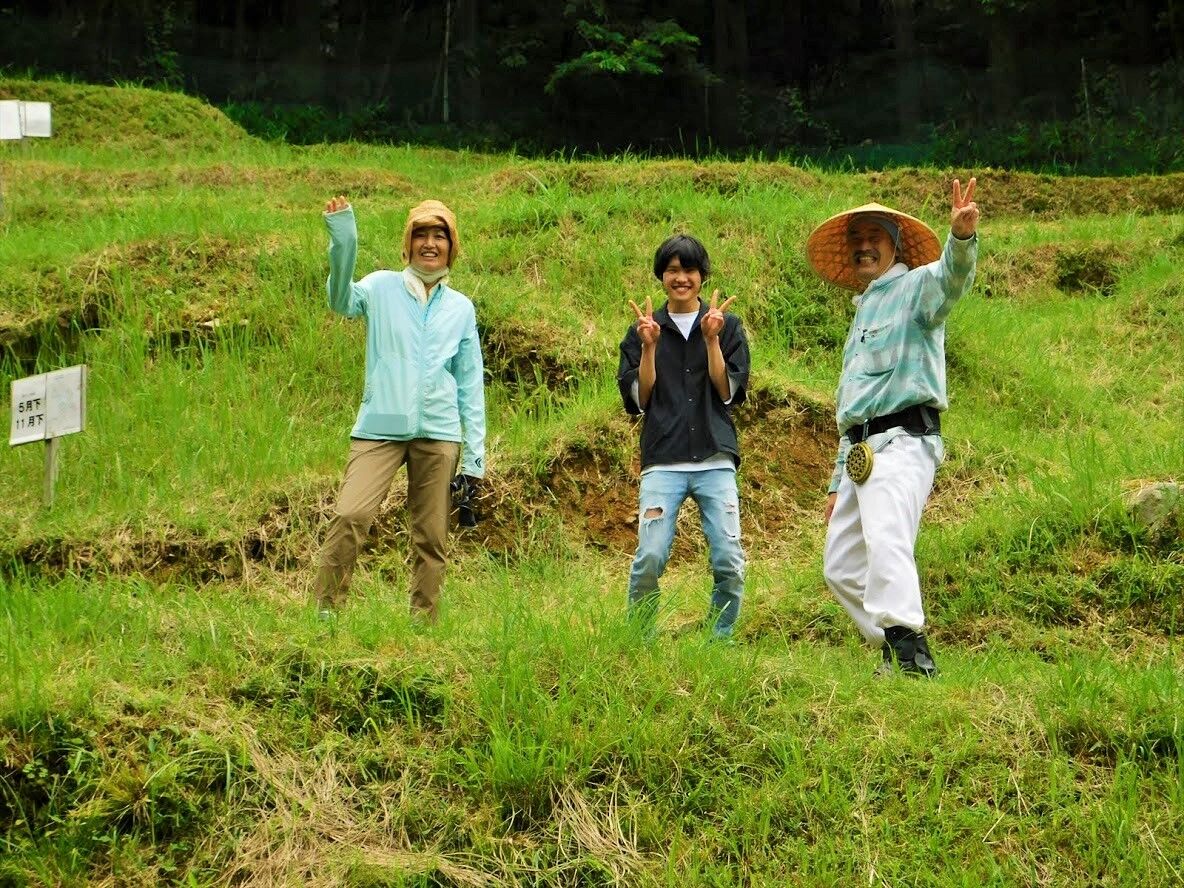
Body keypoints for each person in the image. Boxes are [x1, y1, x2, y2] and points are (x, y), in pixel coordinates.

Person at [808, 178, 980, 676]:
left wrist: (961, 238)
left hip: (904, 440)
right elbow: (852, 407)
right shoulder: (862, 312)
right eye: (857, 238)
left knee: (886, 539)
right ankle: (894, 644)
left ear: (895, 246)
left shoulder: (915, 288)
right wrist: (837, 481)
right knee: (840, 565)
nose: (864, 245)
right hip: (860, 453)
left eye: (874, 236)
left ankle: (912, 657)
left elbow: (951, 280)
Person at [312, 195, 486, 623]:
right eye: (420, 234)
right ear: (407, 244)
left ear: (452, 247)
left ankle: (423, 623)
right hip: (381, 425)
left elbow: (469, 385)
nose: (430, 243)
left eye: (439, 235)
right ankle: (325, 614)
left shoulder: (461, 308)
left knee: (432, 536)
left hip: (440, 432)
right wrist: (343, 238)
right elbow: (340, 300)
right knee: (350, 514)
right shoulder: (380, 287)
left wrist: (475, 458)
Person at [617, 234, 751, 640]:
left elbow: (728, 393)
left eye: (689, 270)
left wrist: (711, 340)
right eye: (672, 270)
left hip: (715, 456)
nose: (681, 278)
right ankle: (639, 637)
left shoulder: (727, 327)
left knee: (728, 557)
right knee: (650, 555)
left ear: (702, 276)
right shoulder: (643, 330)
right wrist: (649, 348)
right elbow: (640, 400)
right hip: (663, 458)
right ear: (661, 276)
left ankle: (720, 637)